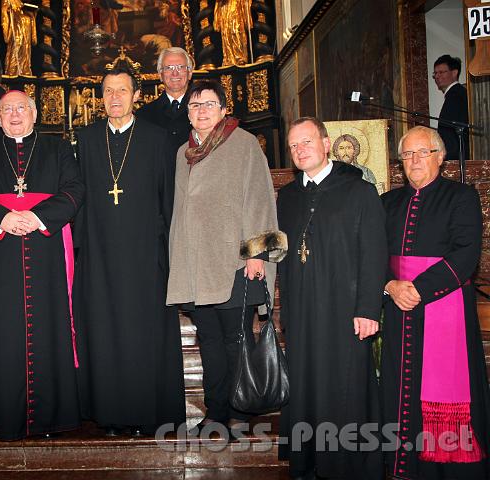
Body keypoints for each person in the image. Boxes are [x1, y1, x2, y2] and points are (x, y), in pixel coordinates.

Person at [0, 90, 84, 440]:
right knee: (3, 329)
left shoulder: (57, 148)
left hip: (46, 254)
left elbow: (74, 190)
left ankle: (52, 417)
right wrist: (3, 219)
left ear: (34, 114)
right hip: (0, 256)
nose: (15, 115)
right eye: (7, 110)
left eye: (21, 108)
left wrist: (36, 216)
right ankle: (3, 417)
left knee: (49, 325)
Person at [166, 80, 285, 435]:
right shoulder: (182, 152)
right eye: (194, 105)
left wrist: (257, 255)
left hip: (235, 263)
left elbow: (260, 199)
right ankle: (216, 412)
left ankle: (241, 411)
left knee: (236, 341)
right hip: (196, 266)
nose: (200, 111)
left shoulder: (244, 143)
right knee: (211, 344)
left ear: (223, 109)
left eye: (208, 104)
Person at [74, 66, 186, 437]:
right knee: (104, 334)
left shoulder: (157, 139)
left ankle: (146, 414)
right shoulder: (87, 139)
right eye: (108, 91)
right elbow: (79, 199)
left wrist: (167, 258)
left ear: (137, 95)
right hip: (100, 257)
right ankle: (109, 414)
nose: (116, 97)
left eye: (123, 90)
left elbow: (168, 201)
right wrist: (81, 253)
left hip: (144, 259)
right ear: (101, 98)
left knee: (144, 336)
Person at [276, 116, 386, 480]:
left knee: (346, 386)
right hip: (303, 311)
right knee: (306, 384)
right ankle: (309, 461)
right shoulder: (288, 197)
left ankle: (349, 465)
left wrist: (369, 308)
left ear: (326, 143)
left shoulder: (358, 191)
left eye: (306, 142)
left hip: (346, 309)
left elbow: (374, 253)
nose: (300, 150)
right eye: (294, 146)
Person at [381, 126, 489, 480]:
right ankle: (404, 467)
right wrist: (390, 284)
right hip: (399, 309)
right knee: (401, 389)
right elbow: (372, 253)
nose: (414, 161)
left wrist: (418, 289)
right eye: (407, 154)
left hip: (444, 308)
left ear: (440, 157)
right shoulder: (388, 202)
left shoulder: (461, 196)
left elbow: (466, 254)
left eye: (422, 152)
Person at [136, 47, 194, 154]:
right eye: (169, 68)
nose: (175, 73)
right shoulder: (143, 115)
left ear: (189, 73)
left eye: (180, 67)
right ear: (160, 75)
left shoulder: (203, 110)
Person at [433, 55, 469, 161]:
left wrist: (447, 159)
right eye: (435, 73)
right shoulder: (458, 93)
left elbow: (450, 136)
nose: (437, 76)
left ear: (454, 73)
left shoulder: (456, 95)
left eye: (441, 72)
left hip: (457, 159)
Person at [1, 0, 37, 77]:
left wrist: (32, 16)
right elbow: (4, 15)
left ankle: (25, 70)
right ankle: (12, 71)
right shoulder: (8, 1)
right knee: (16, 48)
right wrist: (7, 10)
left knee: (26, 49)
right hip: (16, 28)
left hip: (26, 27)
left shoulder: (22, 3)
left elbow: (31, 16)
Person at [213, 0, 253, 66]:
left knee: (236, 29)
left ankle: (239, 56)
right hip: (224, 6)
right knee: (226, 32)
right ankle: (228, 58)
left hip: (236, 4)